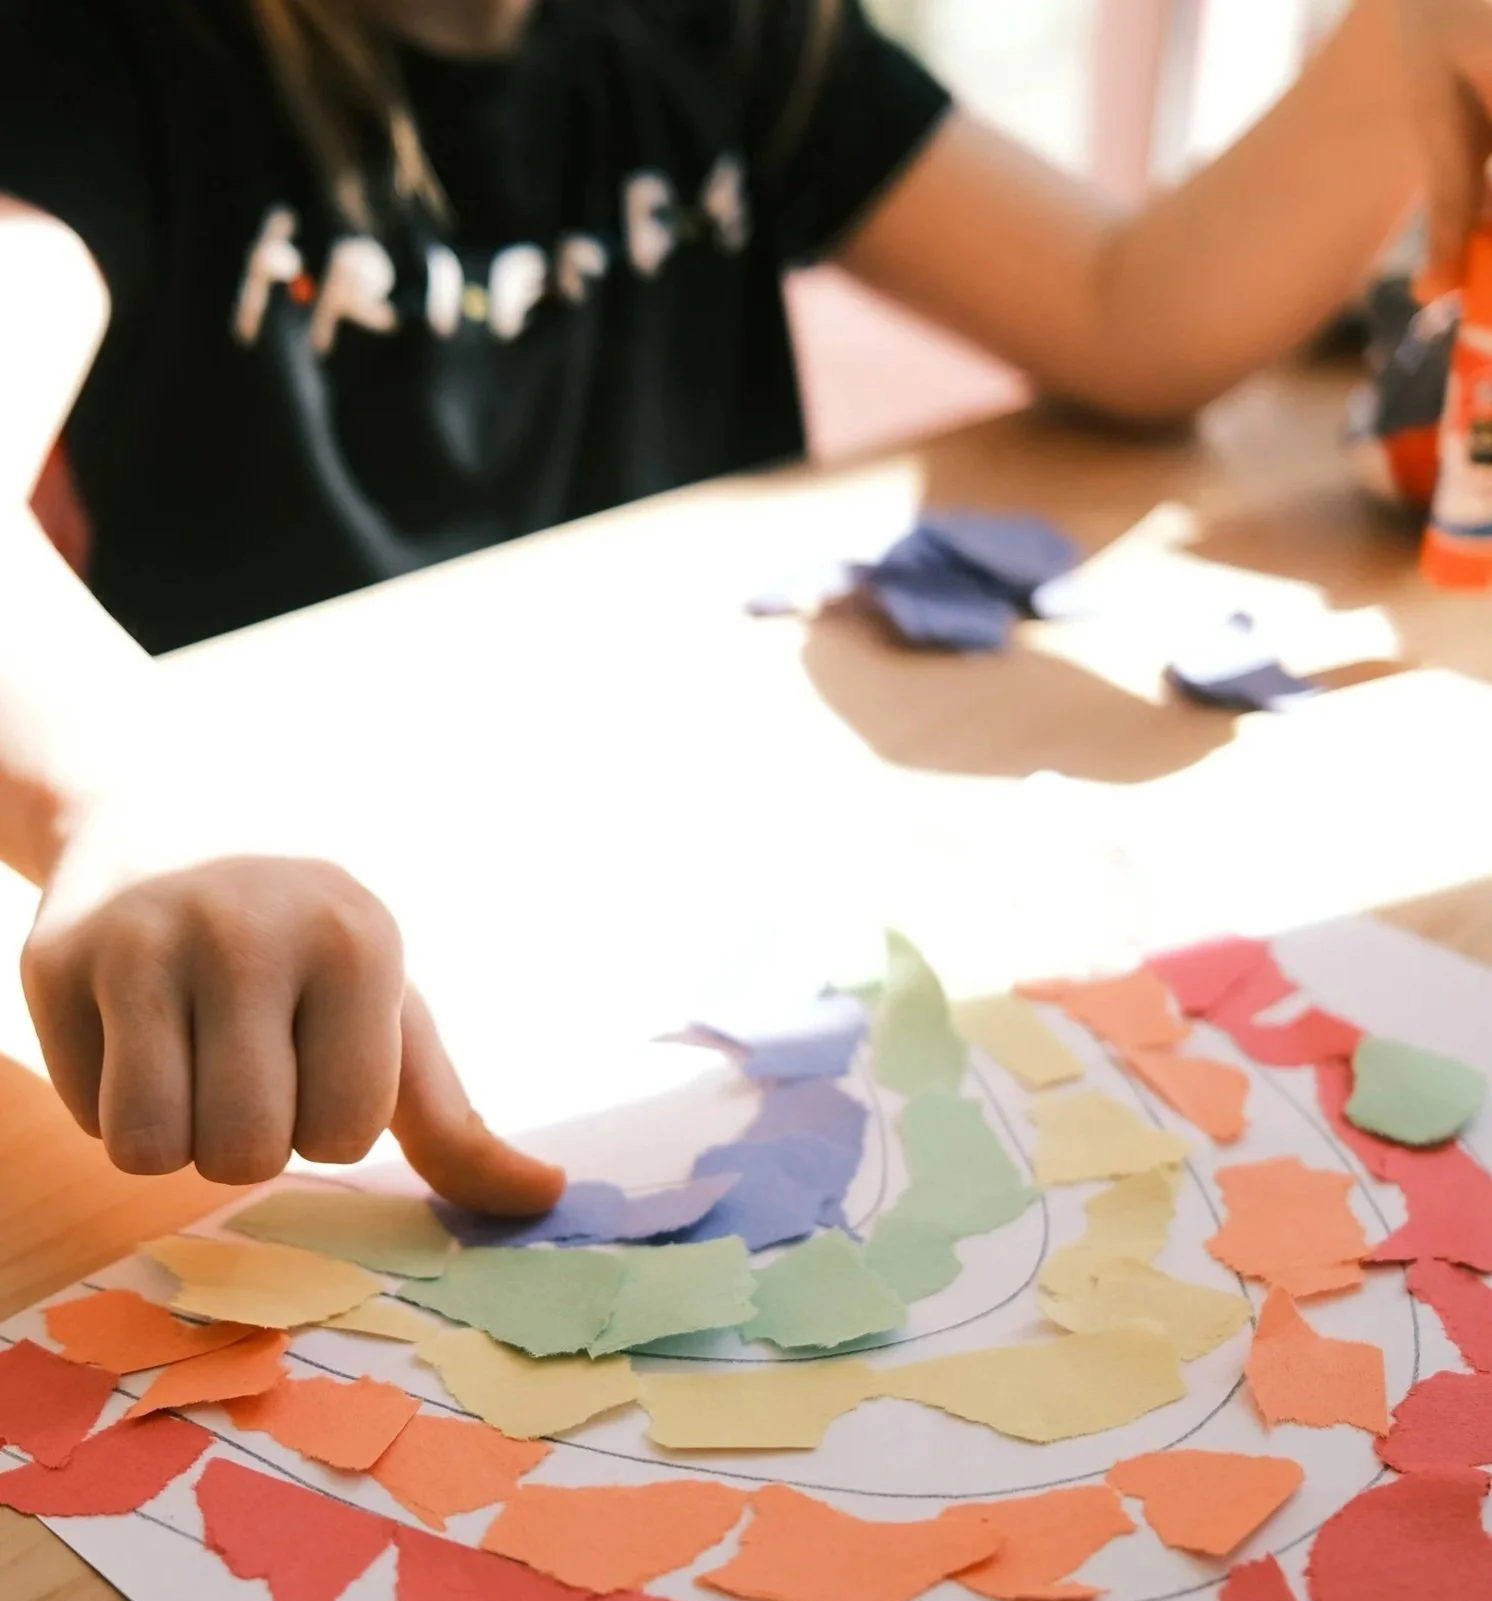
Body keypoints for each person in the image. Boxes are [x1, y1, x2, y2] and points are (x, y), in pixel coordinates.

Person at [0, 0, 1466, 1206]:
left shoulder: (728, 26)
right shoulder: (106, 50)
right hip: (321, 974)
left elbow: (1137, 311)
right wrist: (124, 793)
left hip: (694, 909)